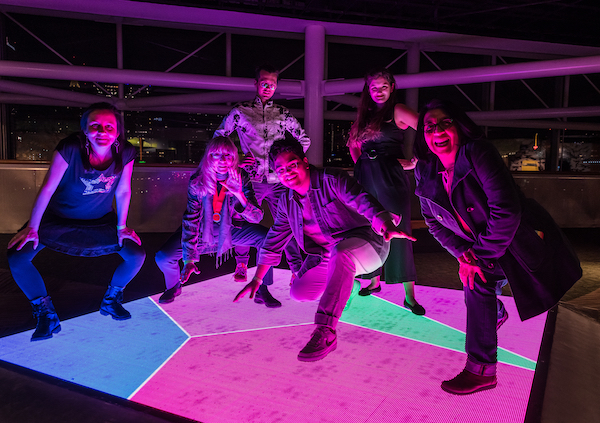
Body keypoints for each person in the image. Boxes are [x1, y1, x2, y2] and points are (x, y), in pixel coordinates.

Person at [413, 99, 582, 395]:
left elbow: (506, 211)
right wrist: (464, 255)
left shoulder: (478, 152)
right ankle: (493, 322)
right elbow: (433, 221)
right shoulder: (425, 170)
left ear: (459, 126)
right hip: (482, 248)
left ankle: (481, 370)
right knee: (476, 281)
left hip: (516, 240)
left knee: (477, 281)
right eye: (428, 126)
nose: (436, 130)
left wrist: (476, 257)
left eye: (444, 123)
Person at [234, 137, 416, 362]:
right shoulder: (286, 203)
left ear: (305, 161)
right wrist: (257, 280)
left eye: (292, 165)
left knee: (343, 254)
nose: (288, 172)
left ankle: (326, 331)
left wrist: (385, 223)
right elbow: (273, 241)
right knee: (299, 293)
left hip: (367, 244)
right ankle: (348, 284)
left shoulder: (332, 179)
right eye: (281, 170)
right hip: (330, 256)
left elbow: (362, 200)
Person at [7, 102, 146, 341]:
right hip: (58, 219)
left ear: (117, 132)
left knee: (136, 255)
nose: (102, 131)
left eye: (109, 126)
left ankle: (111, 300)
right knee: (17, 257)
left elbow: (123, 191)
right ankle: (46, 315)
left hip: (99, 221)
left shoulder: (126, 152)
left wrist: (122, 227)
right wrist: (33, 227)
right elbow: (48, 188)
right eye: (95, 125)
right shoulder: (70, 148)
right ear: (85, 130)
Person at [213, 64, 310, 284]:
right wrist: (236, 158)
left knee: (287, 224)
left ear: (276, 86)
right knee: (242, 219)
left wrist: (287, 162)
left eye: (272, 84)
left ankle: (296, 269)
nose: (268, 87)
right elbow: (219, 138)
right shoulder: (240, 111)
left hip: (278, 182)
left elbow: (304, 140)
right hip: (250, 179)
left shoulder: (282, 113)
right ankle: (241, 264)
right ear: (256, 84)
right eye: (264, 83)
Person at [155, 136, 277, 307]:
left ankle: (262, 288)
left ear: (234, 158)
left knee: (268, 239)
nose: (222, 160)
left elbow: (257, 217)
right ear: (208, 157)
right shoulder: (198, 180)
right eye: (216, 155)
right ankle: (174, 286)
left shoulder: (241, 177)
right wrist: (189, 260)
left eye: (227, 155)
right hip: (204, 231)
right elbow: (191, 219)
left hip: (233, 229)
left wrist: (239, 194)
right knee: (163, 257)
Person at [347, 68, 424, 315]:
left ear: (392, 87)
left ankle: (409, 295)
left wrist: (415, 160)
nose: (379, 91)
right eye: (374, 87)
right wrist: (362, 164)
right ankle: (373, 281)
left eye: (383, 86)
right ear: (368, 91)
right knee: (368, 227)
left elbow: (428, 129)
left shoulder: (397, 110)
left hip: (391, 177)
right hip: (366, 177)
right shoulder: (365, 115)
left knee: (399, 230)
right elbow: (353, 145)